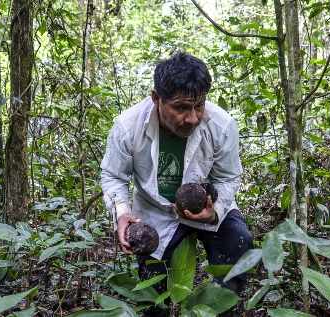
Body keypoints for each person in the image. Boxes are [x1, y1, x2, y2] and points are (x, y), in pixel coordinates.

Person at [100, 52, 253, 317]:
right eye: (181, 108)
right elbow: (113, 176)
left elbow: (228, 178)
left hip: (208, 207)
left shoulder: (222, 125)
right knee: (154, 296)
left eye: (199, 105)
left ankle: (221, 310)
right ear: (157, 98)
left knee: (238, 241)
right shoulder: (128, 127)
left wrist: (213, 210)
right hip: (156, 213)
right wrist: (122, 212)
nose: (192, 118)